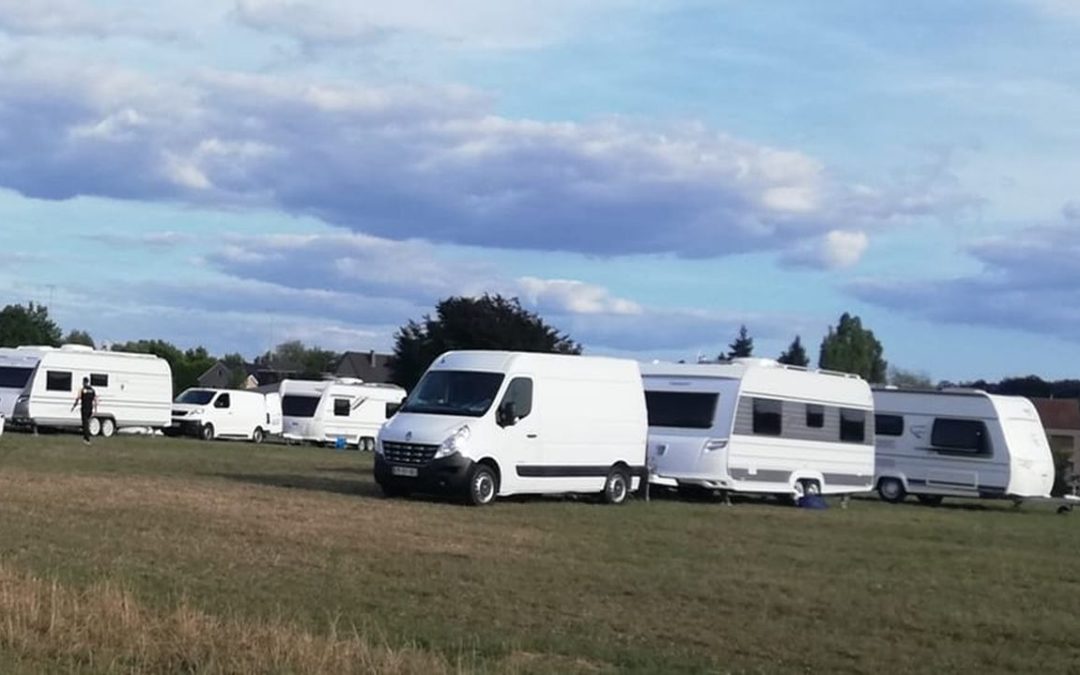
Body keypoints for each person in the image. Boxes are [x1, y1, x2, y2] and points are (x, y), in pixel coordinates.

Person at [71, 377, 97, 445]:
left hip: (84, 409)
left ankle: (87, 439)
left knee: (85, 424)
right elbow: (95, 400)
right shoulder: (92, 390)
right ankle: (86, 438)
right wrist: (95, 410)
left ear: (84, 382)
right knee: (87, 423)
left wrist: (74, 406)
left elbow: (78, 398)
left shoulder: (82, 389)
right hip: (90, 409)